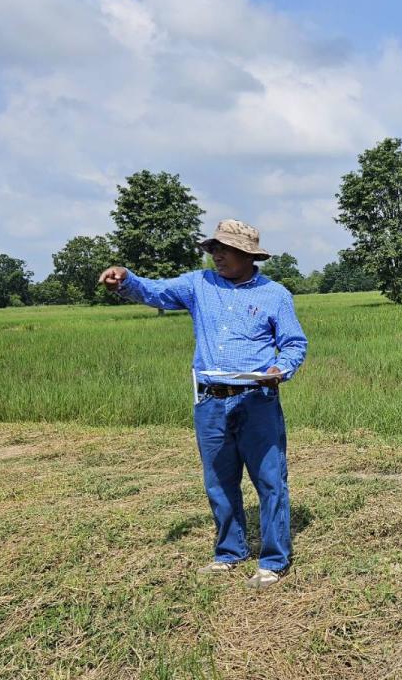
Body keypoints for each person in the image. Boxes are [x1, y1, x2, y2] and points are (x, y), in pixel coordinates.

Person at [99, 219, 308, 590]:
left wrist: (281, 368)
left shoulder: (274, 294)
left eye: (224, 250)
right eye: (214, 249)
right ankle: (230, 552)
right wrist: (126, 279)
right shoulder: (199, 284)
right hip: (210, 402)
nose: (217, 257)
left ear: (247, 255)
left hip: (257, 400)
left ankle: (274, 560)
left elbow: (294, 344)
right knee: (219, 481)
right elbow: (156, 291)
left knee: (270, 481)